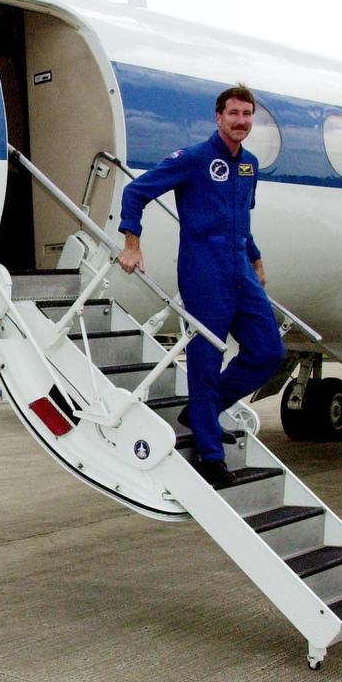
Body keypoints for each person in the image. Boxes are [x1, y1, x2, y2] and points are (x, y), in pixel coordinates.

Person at [116, 84, 285, 486]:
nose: (241, 121)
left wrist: (256, 260)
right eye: (234, 114)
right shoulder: (194, 159)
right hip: (203, 271)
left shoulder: (250, 166)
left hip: (240, 270)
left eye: (247, 115)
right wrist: (132, 244)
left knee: (269, 351)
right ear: (218, 117)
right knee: (206, 360)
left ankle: (202, 410)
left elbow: (240, 219)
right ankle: (211, 456)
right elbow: (135, 191)